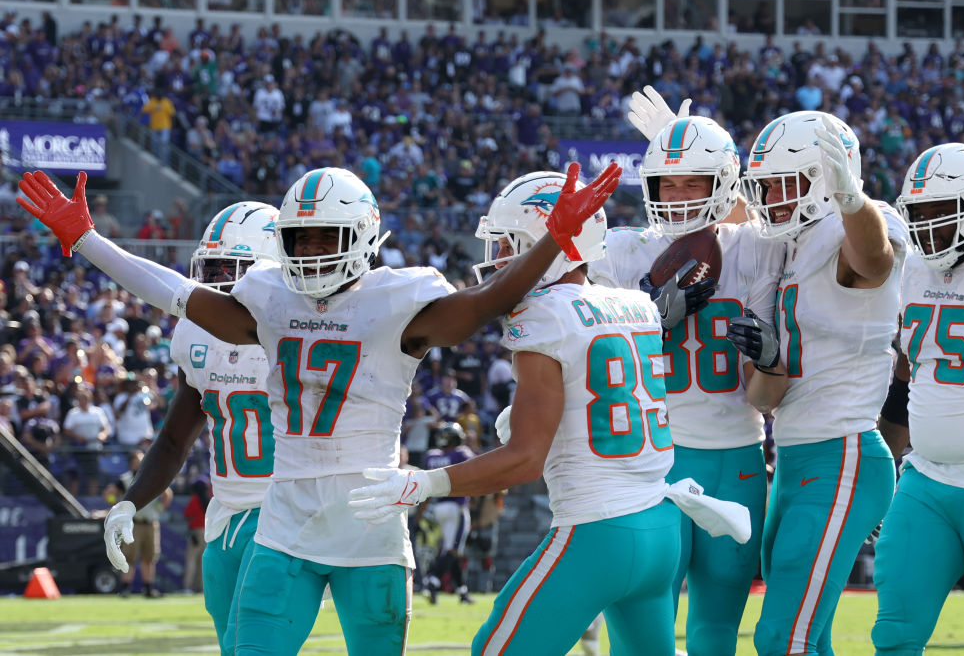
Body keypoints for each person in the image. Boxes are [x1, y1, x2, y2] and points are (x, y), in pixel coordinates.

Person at [18, 162, 620, 656]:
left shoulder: (398, 301)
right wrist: (88, 240)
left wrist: (552, 242)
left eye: (324, 236)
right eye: (298, 237)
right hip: (285, 522)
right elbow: (176, 293)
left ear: (361, 236)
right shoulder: (268, 297)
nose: (308, 251)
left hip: (371, 520)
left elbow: (487, 301)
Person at [349, 171, 751, 656]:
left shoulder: (541, 315)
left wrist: (423, 484)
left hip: (598, 533)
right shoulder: (637, 306)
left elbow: (525, 460)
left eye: (509, 245)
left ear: (551, 245)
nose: (498, 261)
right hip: (659, 531)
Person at [590, 90, 786, 656]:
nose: (676, 197)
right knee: (639, 625)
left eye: (693, 182)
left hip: (738, 456)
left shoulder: (757, 248)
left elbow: (768, 395)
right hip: (650, 460)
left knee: (716, 629)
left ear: (723, 184)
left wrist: (771, 358)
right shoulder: (622, 252)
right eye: (665, 183)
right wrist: (650, 318)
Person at [738, 111, 910, 655]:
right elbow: (765, 398)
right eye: (762, 185)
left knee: (781, 639)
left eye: (782, 183)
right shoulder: (787, 247)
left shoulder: (856, 225)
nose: (770, 197)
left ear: (823, 177)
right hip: (792, 458)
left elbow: (875, 262)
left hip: (844, 454)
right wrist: (769, 363)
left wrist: (853, 201)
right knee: (810, 638)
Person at [103, 201, 280, 656]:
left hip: (288, 513)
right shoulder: (194, 334)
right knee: (232, 646)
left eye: (233, 269)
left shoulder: (299, 335)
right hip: (226, 517)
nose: (218, 283)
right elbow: (176, 437)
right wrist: (131, 499)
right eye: (212, 268)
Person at [872, 144, 964, 655]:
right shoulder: (913, 271)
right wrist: (883, 462)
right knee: (893, 634)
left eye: (943, 210)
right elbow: (904, 376)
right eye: (920, 212)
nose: (929, 224)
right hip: (927, 483)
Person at [103, 449, 173, 598]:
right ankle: (125, 588)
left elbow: (167, 494)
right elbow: (109, 493)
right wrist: (117, 507)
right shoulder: (125, 479)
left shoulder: (152, 477)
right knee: (129, 556)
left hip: (150, 522)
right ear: (130, 464)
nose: (139, 464)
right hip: (132, 524)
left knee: (150, 557)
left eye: (140, 460)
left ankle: (148, 588)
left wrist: (160, 509)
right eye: (136, 461)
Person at [421, 422, 475, 605]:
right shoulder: (461, 453)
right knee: (453, 550)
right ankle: (433, 581)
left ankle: (462, 592)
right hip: (456, 507)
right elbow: (478, 466)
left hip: (437, 507)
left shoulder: (431, 456)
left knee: (452, 551)